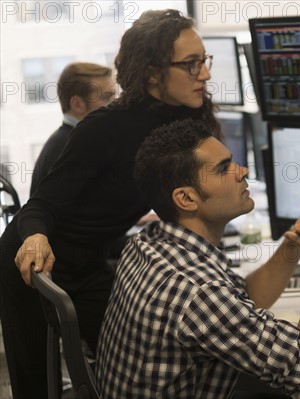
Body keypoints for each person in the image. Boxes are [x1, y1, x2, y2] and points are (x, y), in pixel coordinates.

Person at [0, 9, 220, 399]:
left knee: (138, 356)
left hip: (90, 261)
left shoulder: (191, 120)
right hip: (32, 259)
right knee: (36, 383)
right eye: (191, 64)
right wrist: (34, 237)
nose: (204, 73)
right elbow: (39, 206)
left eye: (204, 61)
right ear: (152, 71)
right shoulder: (104, 128)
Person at [96, 118, 300, 398]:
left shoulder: (150, 241)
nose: (243, 171)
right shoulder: (197, 292)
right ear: (187, 199)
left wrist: (295, 246)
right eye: (224, 169)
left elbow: (245, 298)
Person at [30, 62, 116, 195]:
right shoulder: (72, 147)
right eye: (106, 98)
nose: (116, 104)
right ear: (77, 104)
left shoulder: (65, 140)